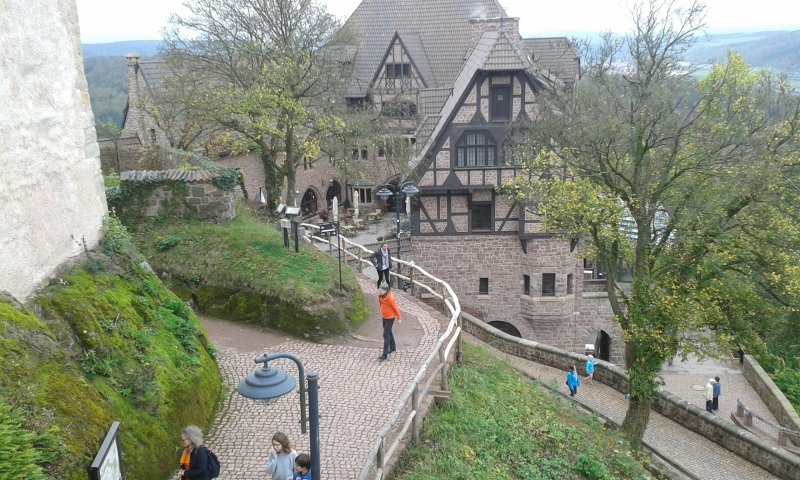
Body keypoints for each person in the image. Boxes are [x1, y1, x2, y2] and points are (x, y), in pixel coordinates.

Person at [377, 282, 401, 360]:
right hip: (384, 317)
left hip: (390, 318)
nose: (379, 291)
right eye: (379, 289)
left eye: (381, 290)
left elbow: (396, 308)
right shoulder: (380, 296)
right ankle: (393, 347)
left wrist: (399, 318)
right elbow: (380, 303)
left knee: (385, 334)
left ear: (386, 291)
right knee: (389, 332)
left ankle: (385, 354)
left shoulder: (390, 299)